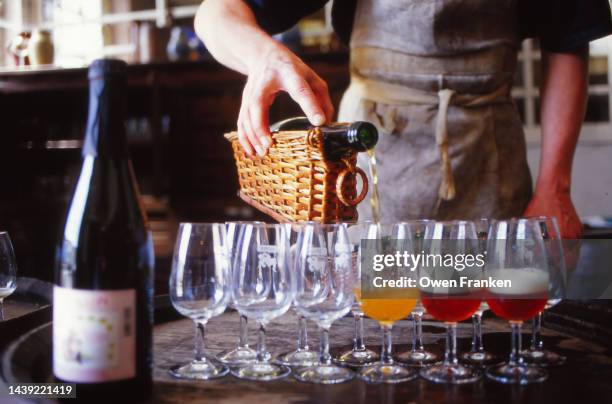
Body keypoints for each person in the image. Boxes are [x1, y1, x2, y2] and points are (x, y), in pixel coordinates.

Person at [194, 0, 612, 238]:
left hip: (489, 163)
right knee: (373, 342)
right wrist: (264, 55)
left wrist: (555, 187)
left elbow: (567, 38)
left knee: (489, 341)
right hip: (373, 164)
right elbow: (216, 15)